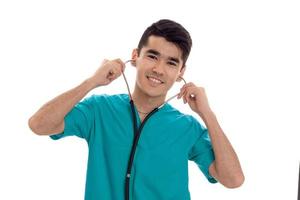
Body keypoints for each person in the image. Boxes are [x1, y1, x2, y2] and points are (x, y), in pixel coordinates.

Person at [28, 19, 244, 200]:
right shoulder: (99, 110)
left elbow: (233, 180)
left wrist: (207, 113)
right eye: (152, 56)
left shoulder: (187, 127)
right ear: (135, 56)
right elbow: (39, 124)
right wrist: (92, 81)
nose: (158, 69)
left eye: (171, 63)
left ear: (180, 72)